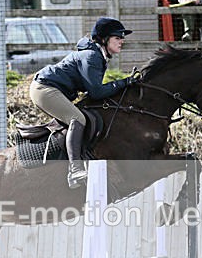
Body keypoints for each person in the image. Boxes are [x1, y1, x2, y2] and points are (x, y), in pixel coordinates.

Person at [30, 17, 139, 189]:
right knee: (77, 119)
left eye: (122, 38)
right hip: (45, 88)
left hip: (52, 88)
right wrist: (124, 82)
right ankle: (75, 170)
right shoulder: (92, 56)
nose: (122, 41)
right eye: (117, 37)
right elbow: (96, 92)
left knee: (82, 117)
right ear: (104, 39)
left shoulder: (97, 55)